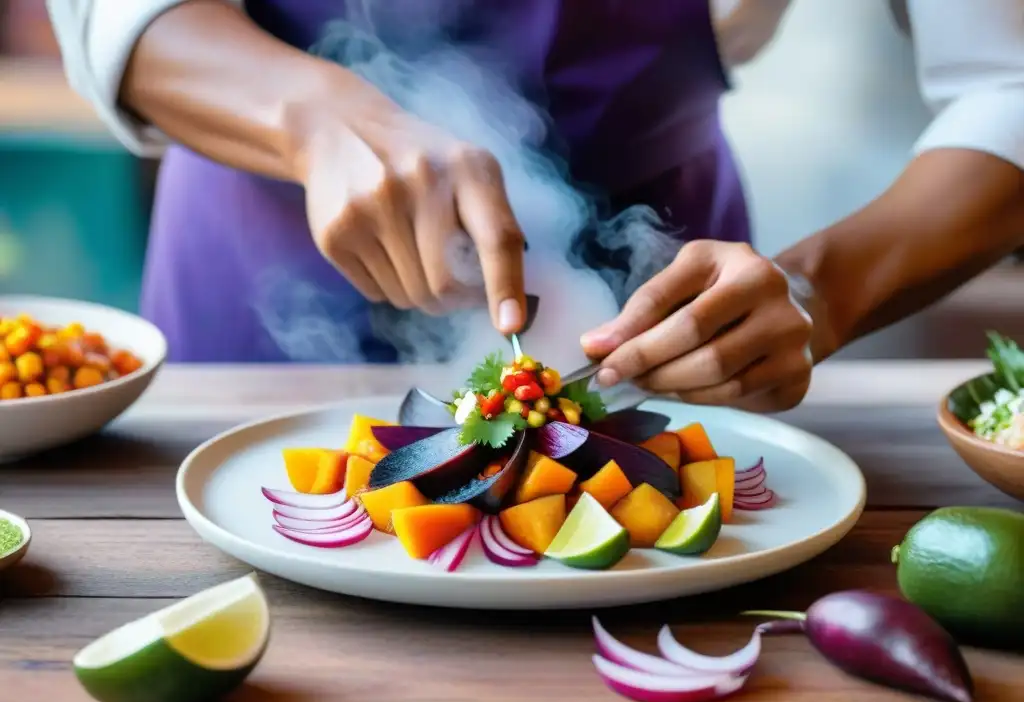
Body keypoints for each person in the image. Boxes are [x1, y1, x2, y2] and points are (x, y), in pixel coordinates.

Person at [47, 0, 1024, 412]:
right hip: (245, 295)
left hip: (663, 332)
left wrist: (819, 289)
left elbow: (1009, 85)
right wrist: (307, 112)